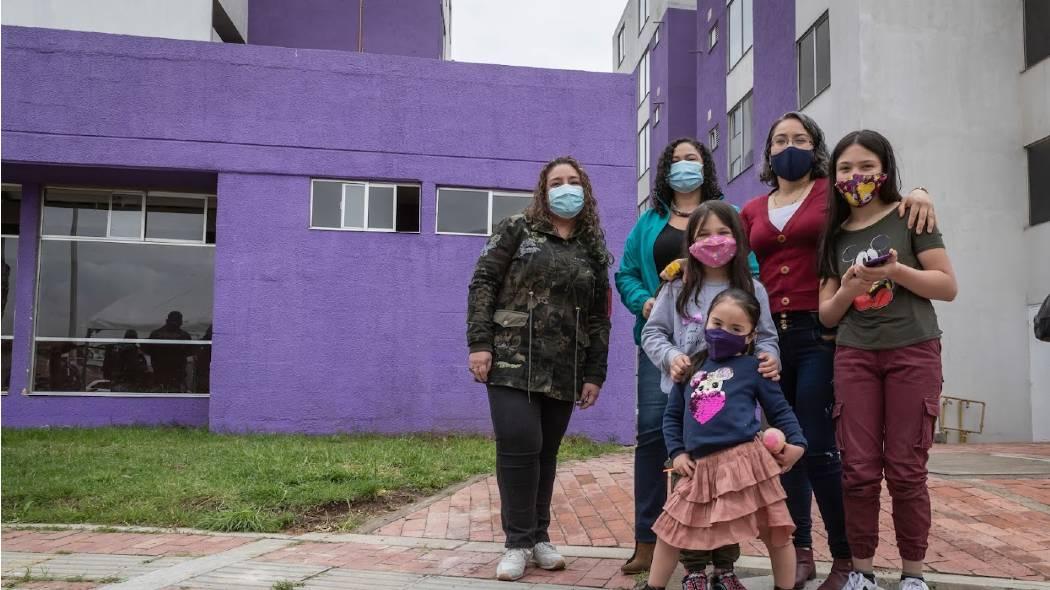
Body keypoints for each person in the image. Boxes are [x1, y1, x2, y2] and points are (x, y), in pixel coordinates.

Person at [738, 112, 937, 590]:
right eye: (780, 139)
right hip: (770, 336)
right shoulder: (750, 209)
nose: (790, 146)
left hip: (820, 334)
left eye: (801, 138)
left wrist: (921, 191)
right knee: (782, 445)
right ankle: (800, 550)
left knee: (820, 444)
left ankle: (847, 559)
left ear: (816, 146)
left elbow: (880, 203)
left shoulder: (832, 193)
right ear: (767, 152)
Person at [817, 130, 957, 590]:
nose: (855, 176)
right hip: (854, 356)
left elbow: (946, 286)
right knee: (857, 470)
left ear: (884, 171)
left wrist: (895, 270)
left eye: (865, 167)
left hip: (913, 351)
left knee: (905, 469)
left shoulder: (910, 216)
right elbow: (826, 313)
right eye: (844, 168)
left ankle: (913, 575)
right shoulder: (834, 235)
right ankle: (862, 572)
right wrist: (852, 288)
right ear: (833, 176)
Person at [615, 137, 758, 578]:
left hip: (723, 359)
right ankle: (648, 538)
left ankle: (712, 542)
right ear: (664, 170)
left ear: (705, 166)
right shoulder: (649, 222)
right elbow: (625, 273)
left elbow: (750, 276)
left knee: (719, 444)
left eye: (691, 159)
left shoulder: (723, 216)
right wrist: (644, 303)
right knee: (655, 436)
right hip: (665, 352)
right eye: (675, 160)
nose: (683, 166)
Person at [466, 156, 612, 582]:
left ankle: (539, 537)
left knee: (546, 452)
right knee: (519, 443)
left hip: (565, 366)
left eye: (573, 181)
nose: (565, 188)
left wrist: (594, 372)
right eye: (556, 182)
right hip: (510, 357)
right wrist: (479, 344)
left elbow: (600, 316)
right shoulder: (517, 228)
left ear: (584, 189)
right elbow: (483, 283)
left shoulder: (593, 247)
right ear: (543, 191)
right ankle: (516, 542)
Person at [641, 288, 807, 590]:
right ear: (706, 322)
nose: (723, 333)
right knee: (671, 531)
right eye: (717, 324)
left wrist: (797, 443)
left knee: (777, 532)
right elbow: (672, 416)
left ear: (750, 335)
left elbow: (780, 410)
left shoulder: (756, 368)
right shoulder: (690, 367)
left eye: (735, 328)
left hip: (748, 464)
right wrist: (677, 452)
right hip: (697, 467)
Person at [144, 311, 193, 392]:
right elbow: (189, 356)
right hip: (174, 373)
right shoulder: (184, 336)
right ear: (181, 322)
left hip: (162, 372)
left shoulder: (156, 334)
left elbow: (148, 352)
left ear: (167, 320)